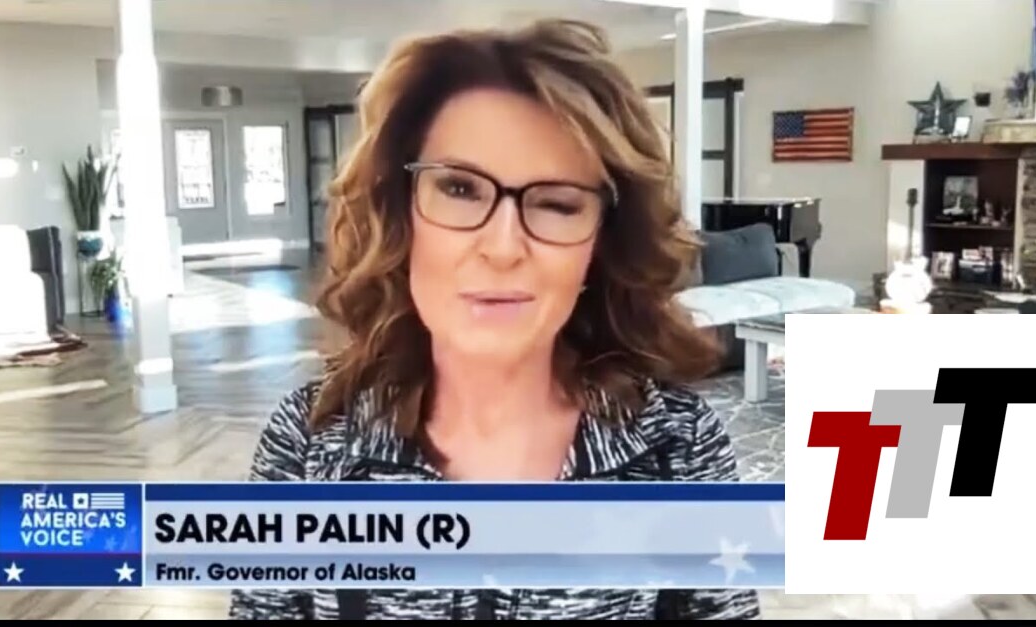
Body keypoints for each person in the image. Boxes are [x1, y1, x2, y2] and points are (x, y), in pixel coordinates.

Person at [229, 18, 761, 621]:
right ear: (400, 215)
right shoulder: (310, 442)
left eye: (557, 203)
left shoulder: (678, 447)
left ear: (601, 243)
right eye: (459, 189)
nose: (503, 247)